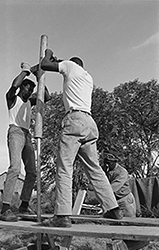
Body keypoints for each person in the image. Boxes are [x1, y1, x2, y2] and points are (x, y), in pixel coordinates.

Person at [40, 49, 123, 227]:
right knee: (95, 168)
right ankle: (113, 208)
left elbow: (45, 65)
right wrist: (59, 60)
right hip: (90, 123)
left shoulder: (70, 67)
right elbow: (63, 64)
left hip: (74, 120)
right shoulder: (87, 77)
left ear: (71, 64)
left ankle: (62, 215)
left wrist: (48, 53)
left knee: (64, 168)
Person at [0, 62, 50, 221]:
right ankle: (5, 209)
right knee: (15, 168)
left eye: (32, 89)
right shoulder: (12, 99)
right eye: (27, 88)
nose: (30, 91)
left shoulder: (29, 102)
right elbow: (14, 85)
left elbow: (46, 96)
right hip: (15, 132)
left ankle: (23, 205)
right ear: (22, 88)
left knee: (32, 172)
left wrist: (38, 76)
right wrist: (25, 72)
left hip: (27, 135)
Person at [103, 150, 136, 217]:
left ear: (115, 162)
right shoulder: (104, 170)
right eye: (105, 163)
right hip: (113, 201)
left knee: (129, 222)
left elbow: (114, 187)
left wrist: (101, 194)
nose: (107, 165)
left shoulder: (122, 172)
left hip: (124, 200)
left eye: (109, 163)